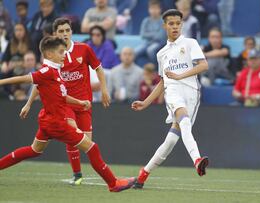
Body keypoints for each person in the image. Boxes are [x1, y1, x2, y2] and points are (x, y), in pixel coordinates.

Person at [0, 36, 135, 192]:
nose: (65, 54)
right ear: (49, 54)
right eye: (61, 52)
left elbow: (61, 96)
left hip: (48, 120)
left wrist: (79, 102)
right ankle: (113, 184)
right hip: (57, 123)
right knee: (92, 148)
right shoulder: (47, 71)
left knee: (34, 150)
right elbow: (22, 78)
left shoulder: (56, 71)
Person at [21, 18, 111, 185]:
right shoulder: (54, 56)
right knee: (72, 132)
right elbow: (40, 81)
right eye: (60, 31)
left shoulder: (83, 49)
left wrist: (104, 90)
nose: (64, 34)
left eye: (67, 30)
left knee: (87, 142)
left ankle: (97, 176)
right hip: (65, 105)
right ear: (55, 34)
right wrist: (29, 103)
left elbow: (98, 68)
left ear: (71, 32)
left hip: (83, 103)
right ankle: (77, 175)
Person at [131, 9, 209, 189]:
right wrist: (146, 102)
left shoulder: (190, 43)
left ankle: (143, 175)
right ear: (164, 26)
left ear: (182, 25)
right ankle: (197, 160)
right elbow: (163, 82)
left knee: (171, 140)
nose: (175, 27)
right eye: (171, 24)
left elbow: (204, 65)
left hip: (192, 93)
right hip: (173, 92)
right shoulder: (161, 53)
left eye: (178, 23)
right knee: (184, 121)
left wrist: (181, 76)